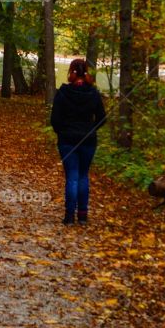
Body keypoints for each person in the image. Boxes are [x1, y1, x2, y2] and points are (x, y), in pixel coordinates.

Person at [49, 58, 106, 225]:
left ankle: (69, 216)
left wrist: (62, 132)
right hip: (88, 141)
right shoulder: (93, 93)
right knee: (82, 176)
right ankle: (82, 215)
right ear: (86, 72)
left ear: (71, 72)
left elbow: (55, 119)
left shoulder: (63, 92)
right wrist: (91, 129)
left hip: (67, 141)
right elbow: (102, 118)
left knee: (72, 177)